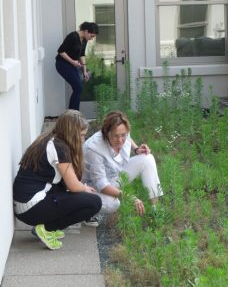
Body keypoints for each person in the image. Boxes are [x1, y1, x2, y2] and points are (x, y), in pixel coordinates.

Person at [13, 110, 102, 250]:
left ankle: (45, 227)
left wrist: (80, 187)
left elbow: (67, 182)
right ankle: (47, 229)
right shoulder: (60, 147)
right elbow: (73, 186)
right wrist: (85, 189)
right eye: (82, 135)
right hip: (31, 207)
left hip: (24, 205)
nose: (83, 140)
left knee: (67, 189)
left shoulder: (49, 139)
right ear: (71, 133)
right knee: (94, 202)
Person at [83, 111, 163, 219]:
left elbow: (128, 137)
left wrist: (136, 149)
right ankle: (87, 213)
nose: (120, 141)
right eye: (115, 136)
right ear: (106, 132)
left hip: (115, 175)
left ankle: (155, 210)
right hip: (92, 187)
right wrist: (129, 197)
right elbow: (101, 184)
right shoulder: (94, 148)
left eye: (123, 135)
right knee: (112, 204)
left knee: (147, 158)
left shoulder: (122, 133)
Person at [55, 21, 99, 110]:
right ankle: (73, 114)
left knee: (78, 88)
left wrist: (84, 70)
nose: (92, 38)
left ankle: (73, 114)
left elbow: (82, 54)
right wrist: (72, 62)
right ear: (86, 31)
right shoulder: (73, 36)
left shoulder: (84, 40)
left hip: (72, 65)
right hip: (62, 64)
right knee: (78, 87)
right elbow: (60, 51)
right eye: (92, 36)